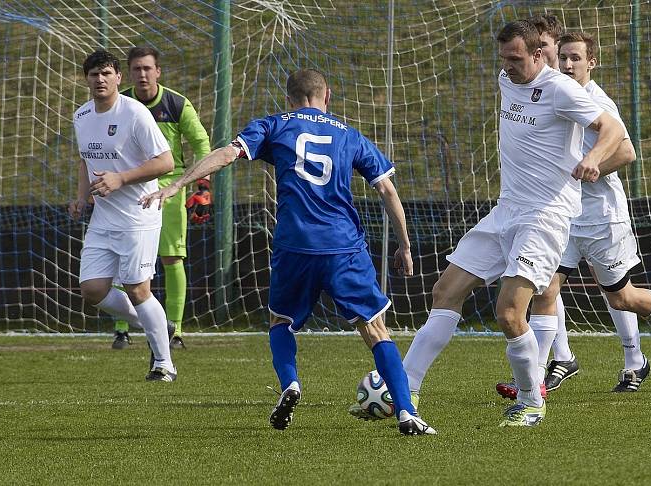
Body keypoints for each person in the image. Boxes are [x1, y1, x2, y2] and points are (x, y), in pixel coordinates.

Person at [354, 20, 624, 428]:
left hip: (546, 215)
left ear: (538, 55)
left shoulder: (561, 90)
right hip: (507, 210)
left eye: (516, 58)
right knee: (445, 290)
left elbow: (614, 130)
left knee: (509, 313)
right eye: (504, 58)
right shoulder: (506, 78)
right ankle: (405, 386)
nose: (508, 66)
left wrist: (593, 158)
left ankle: (532, 401)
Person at [140, 68, 436, 436]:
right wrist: (405, 245)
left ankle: (290, 384)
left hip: (294, 244)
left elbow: (227, 154)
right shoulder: (349, 135)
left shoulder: (274, 125)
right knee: (375, 329)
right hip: (343, 246)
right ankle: (407, 412)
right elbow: (387, 191)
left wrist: (177, 186)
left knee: (280, 321)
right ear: (327, 95)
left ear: (289, 98)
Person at [496, 31, 651, 399]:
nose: (567, 64)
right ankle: (537, 380)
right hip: (562, 215)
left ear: (591, 62)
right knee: (546, 288)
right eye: (563, 57)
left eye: (575, 58)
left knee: (621, 297)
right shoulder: (551, 91)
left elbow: (626, 152)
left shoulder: (596, 100)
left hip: (600, 217)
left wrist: (592, 166)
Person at [70, 49, 177, 381]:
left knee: (136, 288)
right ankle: (156, 323)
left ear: (118, 77)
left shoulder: (135, 114)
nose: (99, 80)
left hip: (138, 214)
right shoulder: (81, 115)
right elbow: (86, 160)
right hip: (103, 217)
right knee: (92, 289)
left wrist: (121, 178)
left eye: (106, 73)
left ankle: (164, 363)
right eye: (93, 74)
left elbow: (166, 162)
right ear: (86, 79)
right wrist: (81, 197)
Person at [110, 46, 212, 350]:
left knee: (171, 258)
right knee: (123, 257)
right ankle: (121, 329)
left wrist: (200, 186)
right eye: (136, 69)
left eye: (147, 69)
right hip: (129, 188)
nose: (142, 74)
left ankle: (175, 329)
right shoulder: (120, 104)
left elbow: (202, 144)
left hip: (168, 188)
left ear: (158, 72)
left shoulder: (177, 104)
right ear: (129, 73)